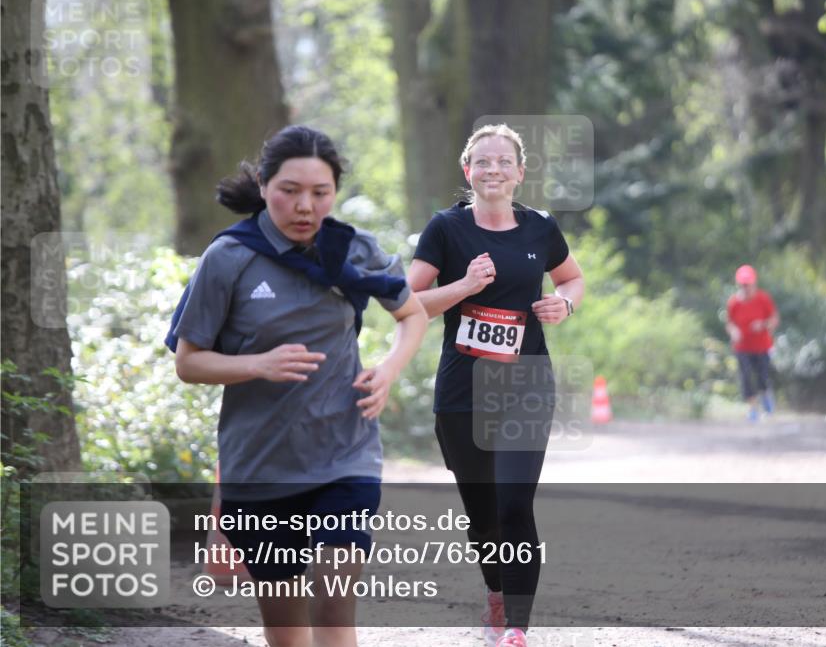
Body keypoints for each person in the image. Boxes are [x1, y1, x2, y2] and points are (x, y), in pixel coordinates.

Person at [166, 125, 428, 647]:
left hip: (344, 452)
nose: (305, 206)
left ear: (335, 193)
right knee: (287, 631)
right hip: (260, 466)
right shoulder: (229, 257)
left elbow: (412, 313)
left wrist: (389, 370)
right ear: (263, 186)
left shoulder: (351, 249)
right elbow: (189, 363)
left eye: (320, 193)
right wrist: (257, 364)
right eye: (290, 190)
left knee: (333, 604)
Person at [407, 124, 584, 647]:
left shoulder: (540, 229)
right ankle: (495, 590)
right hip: (463, 390)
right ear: (468, 171)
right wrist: (463, 286)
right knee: (484, 512)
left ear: (519, 173)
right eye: (483, 162)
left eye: (504, 162)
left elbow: (571, 278)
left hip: (527, 381)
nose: (493, 170)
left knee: (513, 504)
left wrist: (565, 303)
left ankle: (517, 627)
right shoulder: (445, 230)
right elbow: (407, 300)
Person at [725, 264, 779, 421]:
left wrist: (762, 324)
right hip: (742, 347)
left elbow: (774, 320)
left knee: (762, 377)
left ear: (754, 283)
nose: (745, 287)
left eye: (748, 284)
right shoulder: (734, 302)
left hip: (762, 346)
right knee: (746, 377)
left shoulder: (763, 299)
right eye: (742, 284)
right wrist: (734, 331)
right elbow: (729, 323)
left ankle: (766, 397)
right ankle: (752, 409)